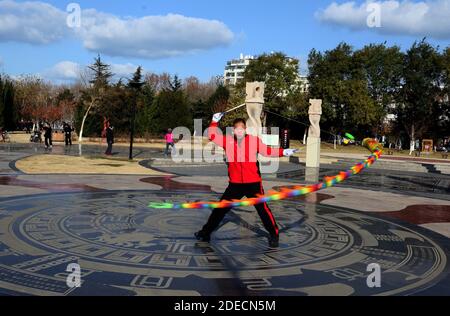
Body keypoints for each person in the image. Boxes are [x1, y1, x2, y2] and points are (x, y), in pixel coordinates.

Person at [195, 113, 299, 248]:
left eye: (242, 128)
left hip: (253, 183)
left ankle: (274, 234)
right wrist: (214, 120)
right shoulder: (227, 140)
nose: (239, 131)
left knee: (263, 209)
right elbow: (212, 136)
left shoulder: (253, 140)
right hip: (235, 184)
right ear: (233, 130)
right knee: (220, 209)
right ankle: (205, 233)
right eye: (237, 128)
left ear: (245, 129)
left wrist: (283, 152)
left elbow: (267, 151)